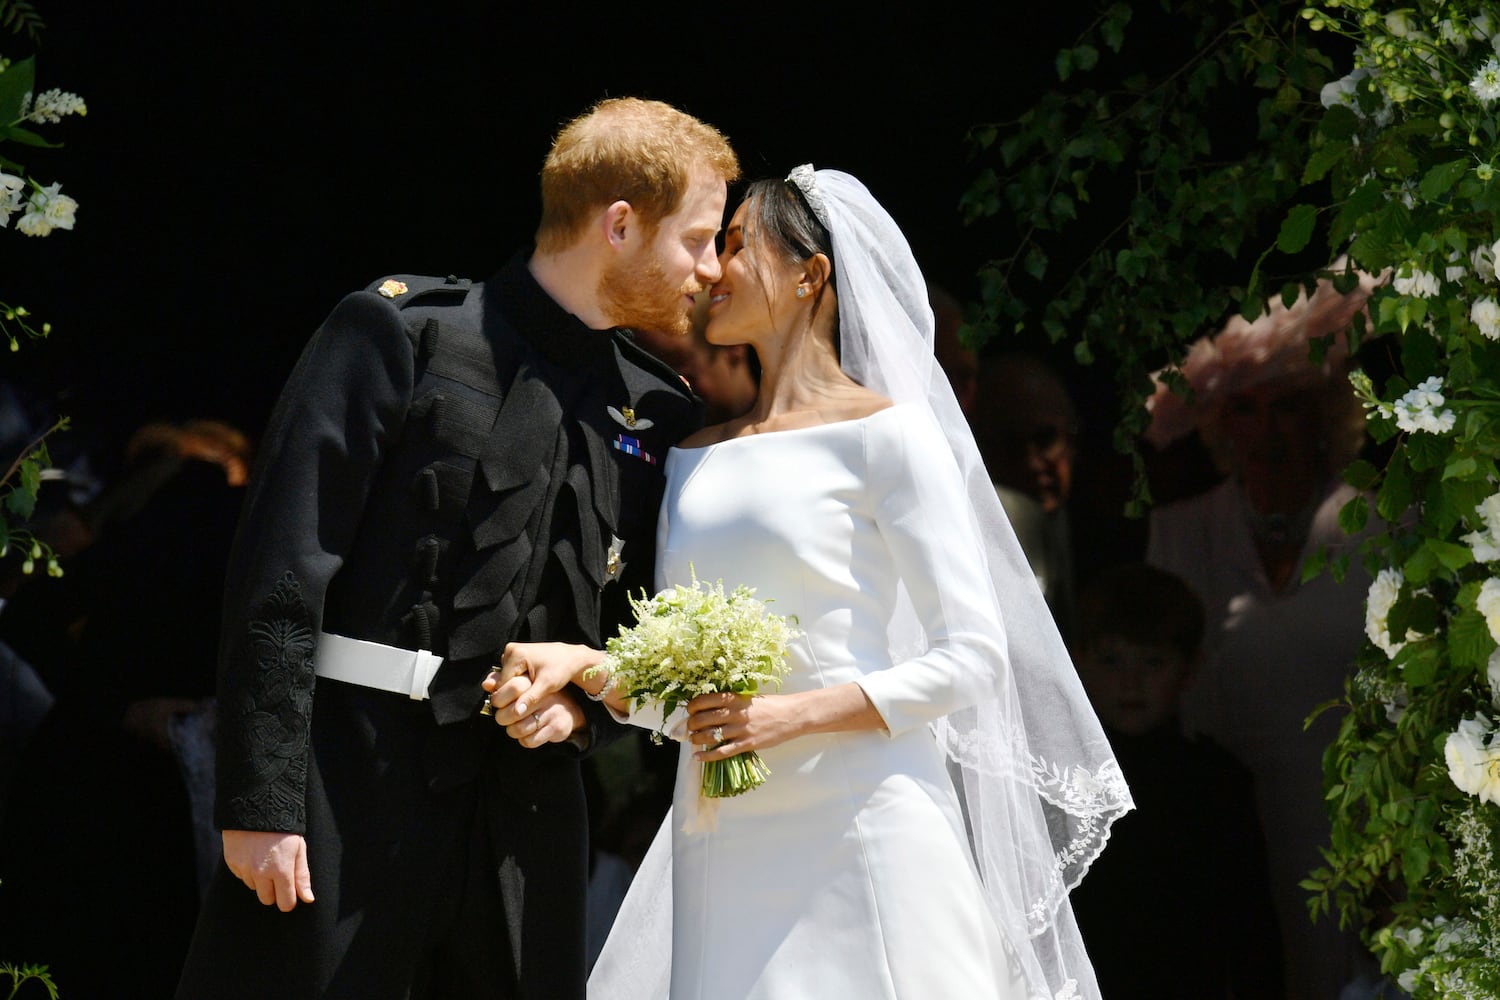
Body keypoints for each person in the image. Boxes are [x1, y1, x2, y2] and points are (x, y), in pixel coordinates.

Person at [486, 167, 1131, 999]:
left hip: (865, 823)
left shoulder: (889, 437)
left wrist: (790, 715)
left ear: (809, 275)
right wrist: (586, 667)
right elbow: (690, 697)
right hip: (721, 842)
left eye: (736, 244)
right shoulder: (693, 455)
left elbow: (974, 659)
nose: (712, 268)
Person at [174, 97, 739, 1000]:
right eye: (699, 239)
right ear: (621, 224)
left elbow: (634, 628)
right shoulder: (402, 334)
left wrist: (584, 712)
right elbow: (281, 575)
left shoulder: (660, 411)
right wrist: (260, 802)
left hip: (528, 823)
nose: (711, 271)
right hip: (347, 788)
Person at [1143, 265, 1384, 999]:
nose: (1267, 429)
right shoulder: (1178, 534)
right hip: (1228, 825)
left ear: (1320, 414)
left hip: (1356, 819)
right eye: (1246, 409)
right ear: (1221, 424)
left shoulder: (1380, 522)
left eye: (1285, 408)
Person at [1067, 563, 1284, 998]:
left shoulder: (1216, 783)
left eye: (1152, 661)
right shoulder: (1058, 782)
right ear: (1079, 663)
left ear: (1189, 669)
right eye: (1111, 660)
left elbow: (1252, 932)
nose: (1131, 681)